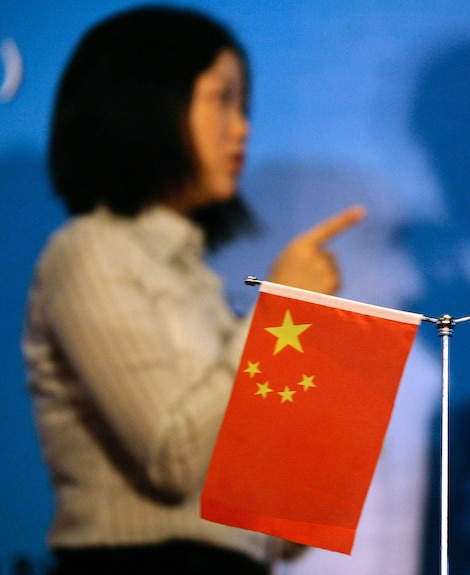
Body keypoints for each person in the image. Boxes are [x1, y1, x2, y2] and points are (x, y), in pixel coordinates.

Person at [22, 6, 364, 575]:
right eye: (222, 99)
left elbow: (283, 533)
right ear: (147, 102)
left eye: (244, 105)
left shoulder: (202, 284)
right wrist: (282, 312)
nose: (243, 126)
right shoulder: (90, 250)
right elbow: (176, 459)